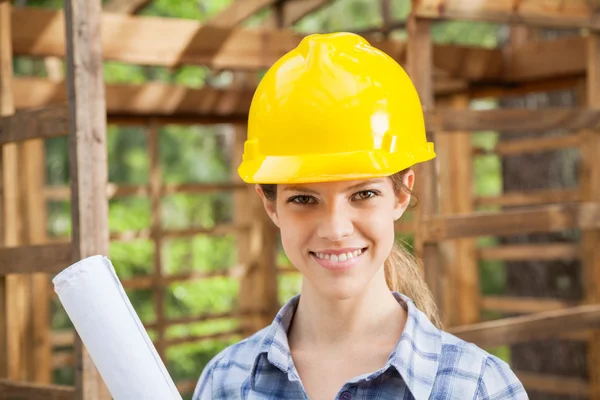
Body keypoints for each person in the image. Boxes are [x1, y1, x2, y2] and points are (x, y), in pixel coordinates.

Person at [192, 32, 527, 400]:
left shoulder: (479, 387)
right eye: (304, 199)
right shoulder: (226, 383)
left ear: (402, 193)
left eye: (363, 194)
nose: (336, 229)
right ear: (270, 205)